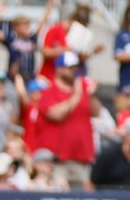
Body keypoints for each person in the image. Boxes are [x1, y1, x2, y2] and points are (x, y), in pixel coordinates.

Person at [28, 51, 96, 190]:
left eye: (75, 68)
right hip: (56, 160)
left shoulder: (82, 89)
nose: (73, 71)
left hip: (80, 158)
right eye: (69, 67)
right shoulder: (49, 91)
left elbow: (97, 112)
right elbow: (55, 115)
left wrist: (91, 94)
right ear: (59, 69)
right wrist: (76, 96)